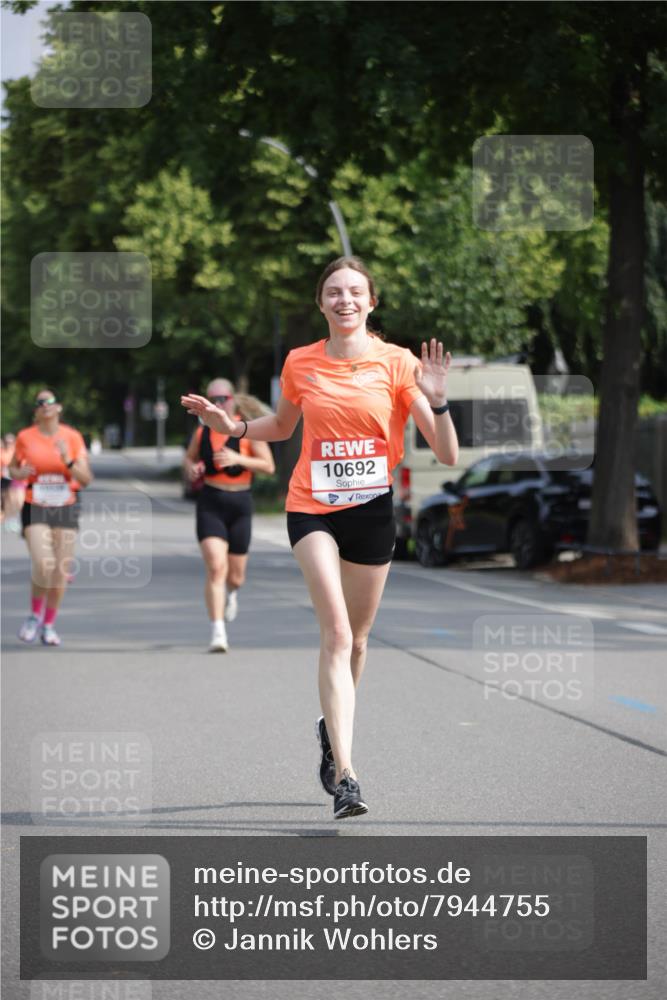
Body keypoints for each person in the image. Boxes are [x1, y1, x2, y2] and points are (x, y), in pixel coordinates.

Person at [181, 256, 459, 819]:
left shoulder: (398, 364)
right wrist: (230, 427)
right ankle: (348, 777)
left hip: (373, 510)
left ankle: (331, 733)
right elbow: (282, 427)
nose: (345, 300)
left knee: (357, 641)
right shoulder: (301, 362)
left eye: (356, 291)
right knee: (334, 632)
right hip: (312, 508)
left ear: (371, 302)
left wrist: (437, 399)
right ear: (321, 302)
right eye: (334, 292)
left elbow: (447, 453)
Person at [183, 378, 275, 652]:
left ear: (232, 399)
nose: (219, 403)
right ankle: (218, 632)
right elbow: (188, 458)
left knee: (235, 577)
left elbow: (268, 466)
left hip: (240, 502)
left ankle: (233, 594)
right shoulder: (202, 434)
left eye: (223, 398)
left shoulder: (246, 429)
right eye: (214, 399)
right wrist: (191, 468)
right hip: (211, 501)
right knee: (215, 567)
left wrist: (239, 460)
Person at [9, 390, 93, 646]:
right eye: (39, 403)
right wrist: (19, 471)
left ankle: (48, 624)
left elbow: (86, 479)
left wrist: (67, 459)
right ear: (36, 411)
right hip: (36, 505)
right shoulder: (25, 436)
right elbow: (13, 468)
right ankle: (34, 615)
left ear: (59, 408)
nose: (44, 405)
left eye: (49, 401)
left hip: (66, 506)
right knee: (43, 564)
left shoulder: (72, 437)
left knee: (59, 571)